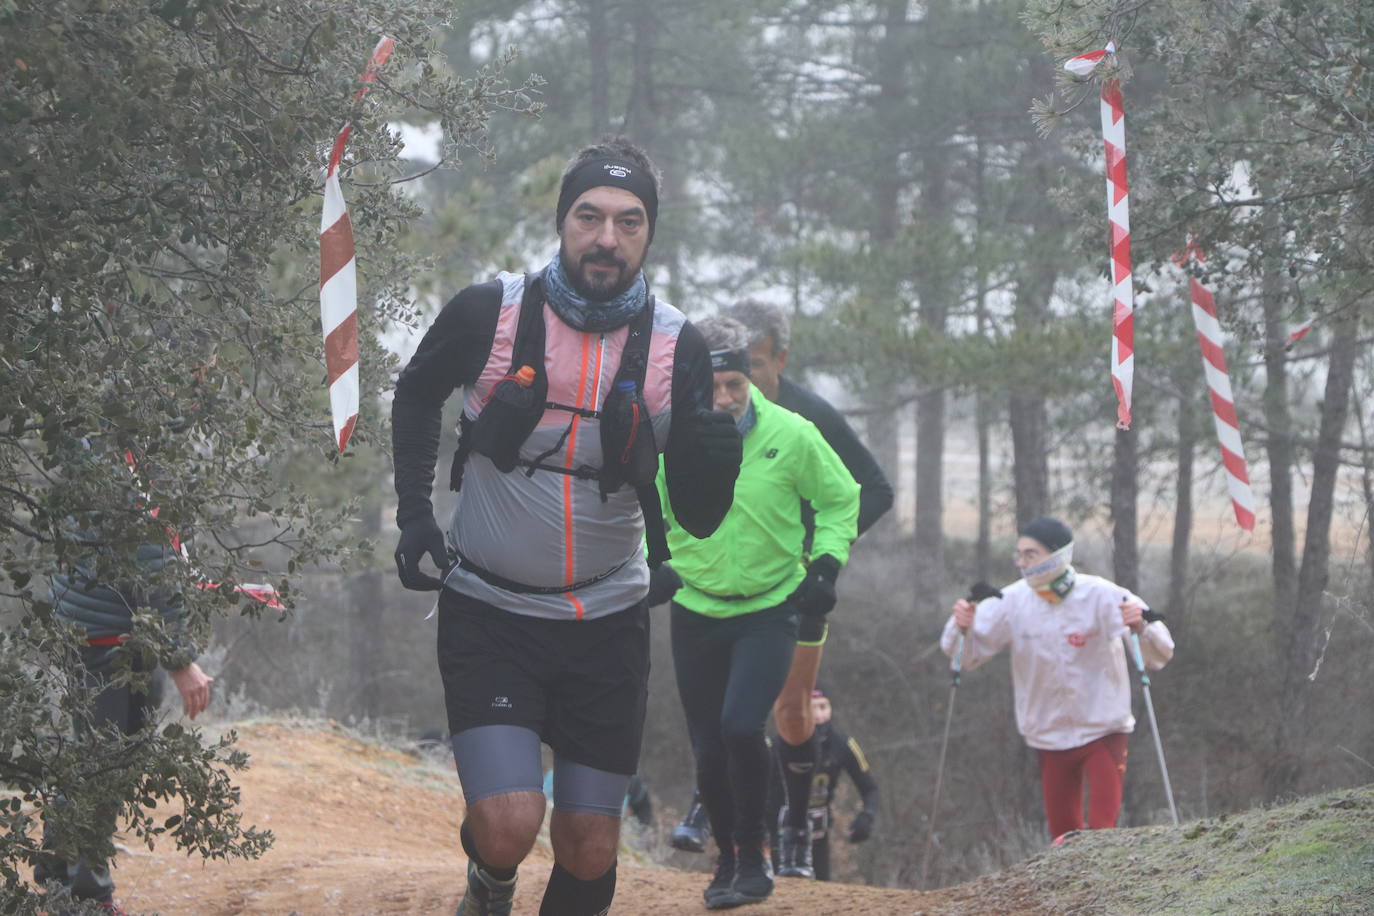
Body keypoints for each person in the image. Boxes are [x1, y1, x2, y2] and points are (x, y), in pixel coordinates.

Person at [390, 136, 741, 916]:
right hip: (490, 610)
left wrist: (717, 460)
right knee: (510, 824)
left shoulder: (677, 345)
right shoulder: (493, 310)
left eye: (629, 222)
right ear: (562, 221)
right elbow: (415, 395)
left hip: (607, 620)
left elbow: (697, 516)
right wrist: (416, 515)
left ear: (650, 234)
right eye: (589, 217)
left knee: (589, 844)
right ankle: (490, 878)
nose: (606, 238)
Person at [669, 299, 893, 879]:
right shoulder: (674, 429)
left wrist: (822, 562)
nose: (726, 396)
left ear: (772, 362)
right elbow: (647, 502)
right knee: (717, 738)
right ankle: (735, 842)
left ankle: (788, 827)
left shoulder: (803, 422)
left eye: (740, 378)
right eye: (711, 383)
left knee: (774, 717)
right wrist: (654, 561)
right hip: (699, 602)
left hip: (784, 594)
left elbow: (862, 491)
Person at [940, 516, 1175, 842]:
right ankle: (1072, 893)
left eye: (1030, 555)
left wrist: (1140, 627)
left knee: (1101, 832)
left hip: (1102, 728)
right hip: (1047, 733)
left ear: (1058, 555)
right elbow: (967, 657)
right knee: (1062, 837)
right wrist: (961, 627)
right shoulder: (1011, 600)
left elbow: (1158, 654)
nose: (1022, 563)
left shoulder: (1102, 594)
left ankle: (1104, 888)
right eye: (1019, 555)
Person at [36, 535, 213, 915]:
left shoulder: (144, 479)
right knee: (104, 764)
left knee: (105, 759)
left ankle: (57, 876)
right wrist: (180, 660)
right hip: (106, 634)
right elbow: (153, 563)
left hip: (120, 627)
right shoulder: (137, 478)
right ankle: (87, 897)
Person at [766, 686, 879, 882]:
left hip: (817, 835)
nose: (819, 716)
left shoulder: (842, 744)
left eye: (823, 707)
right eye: (812, 709)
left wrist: (866, 816)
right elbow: (750, 790)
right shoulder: (776, 746)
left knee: (820, 891)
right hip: (777, 836)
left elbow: (870, 788)